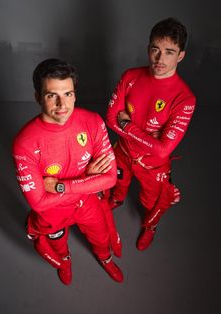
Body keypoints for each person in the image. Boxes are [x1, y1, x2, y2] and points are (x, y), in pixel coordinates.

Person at [12, 58, 123, 285]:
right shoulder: (24, 143)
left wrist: (61, 185)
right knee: (58, 245)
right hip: (53, 212)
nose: (62, 104)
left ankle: (105, 259)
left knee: (101, 238)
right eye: (52, 95)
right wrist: (88, 179)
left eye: (68, 94)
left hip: (85, 201)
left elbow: (110, 178)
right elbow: (40, 204)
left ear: (74, 93)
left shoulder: (92, 122)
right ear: (37, 97)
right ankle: (65, 262)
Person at [105, 17, 196, 251]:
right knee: (118, 182)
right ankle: (117, 198)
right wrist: (147, 137)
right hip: (123, 152)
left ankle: (150, 227)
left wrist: (126, 126)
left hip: (153, 166)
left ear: (181, 56)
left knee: (153, 203)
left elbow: (164, 149)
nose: (160, 58)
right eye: (155, 49)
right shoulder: (130, 77)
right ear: (148, 49)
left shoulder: (184, 98)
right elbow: (110, 118)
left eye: (169, 52)